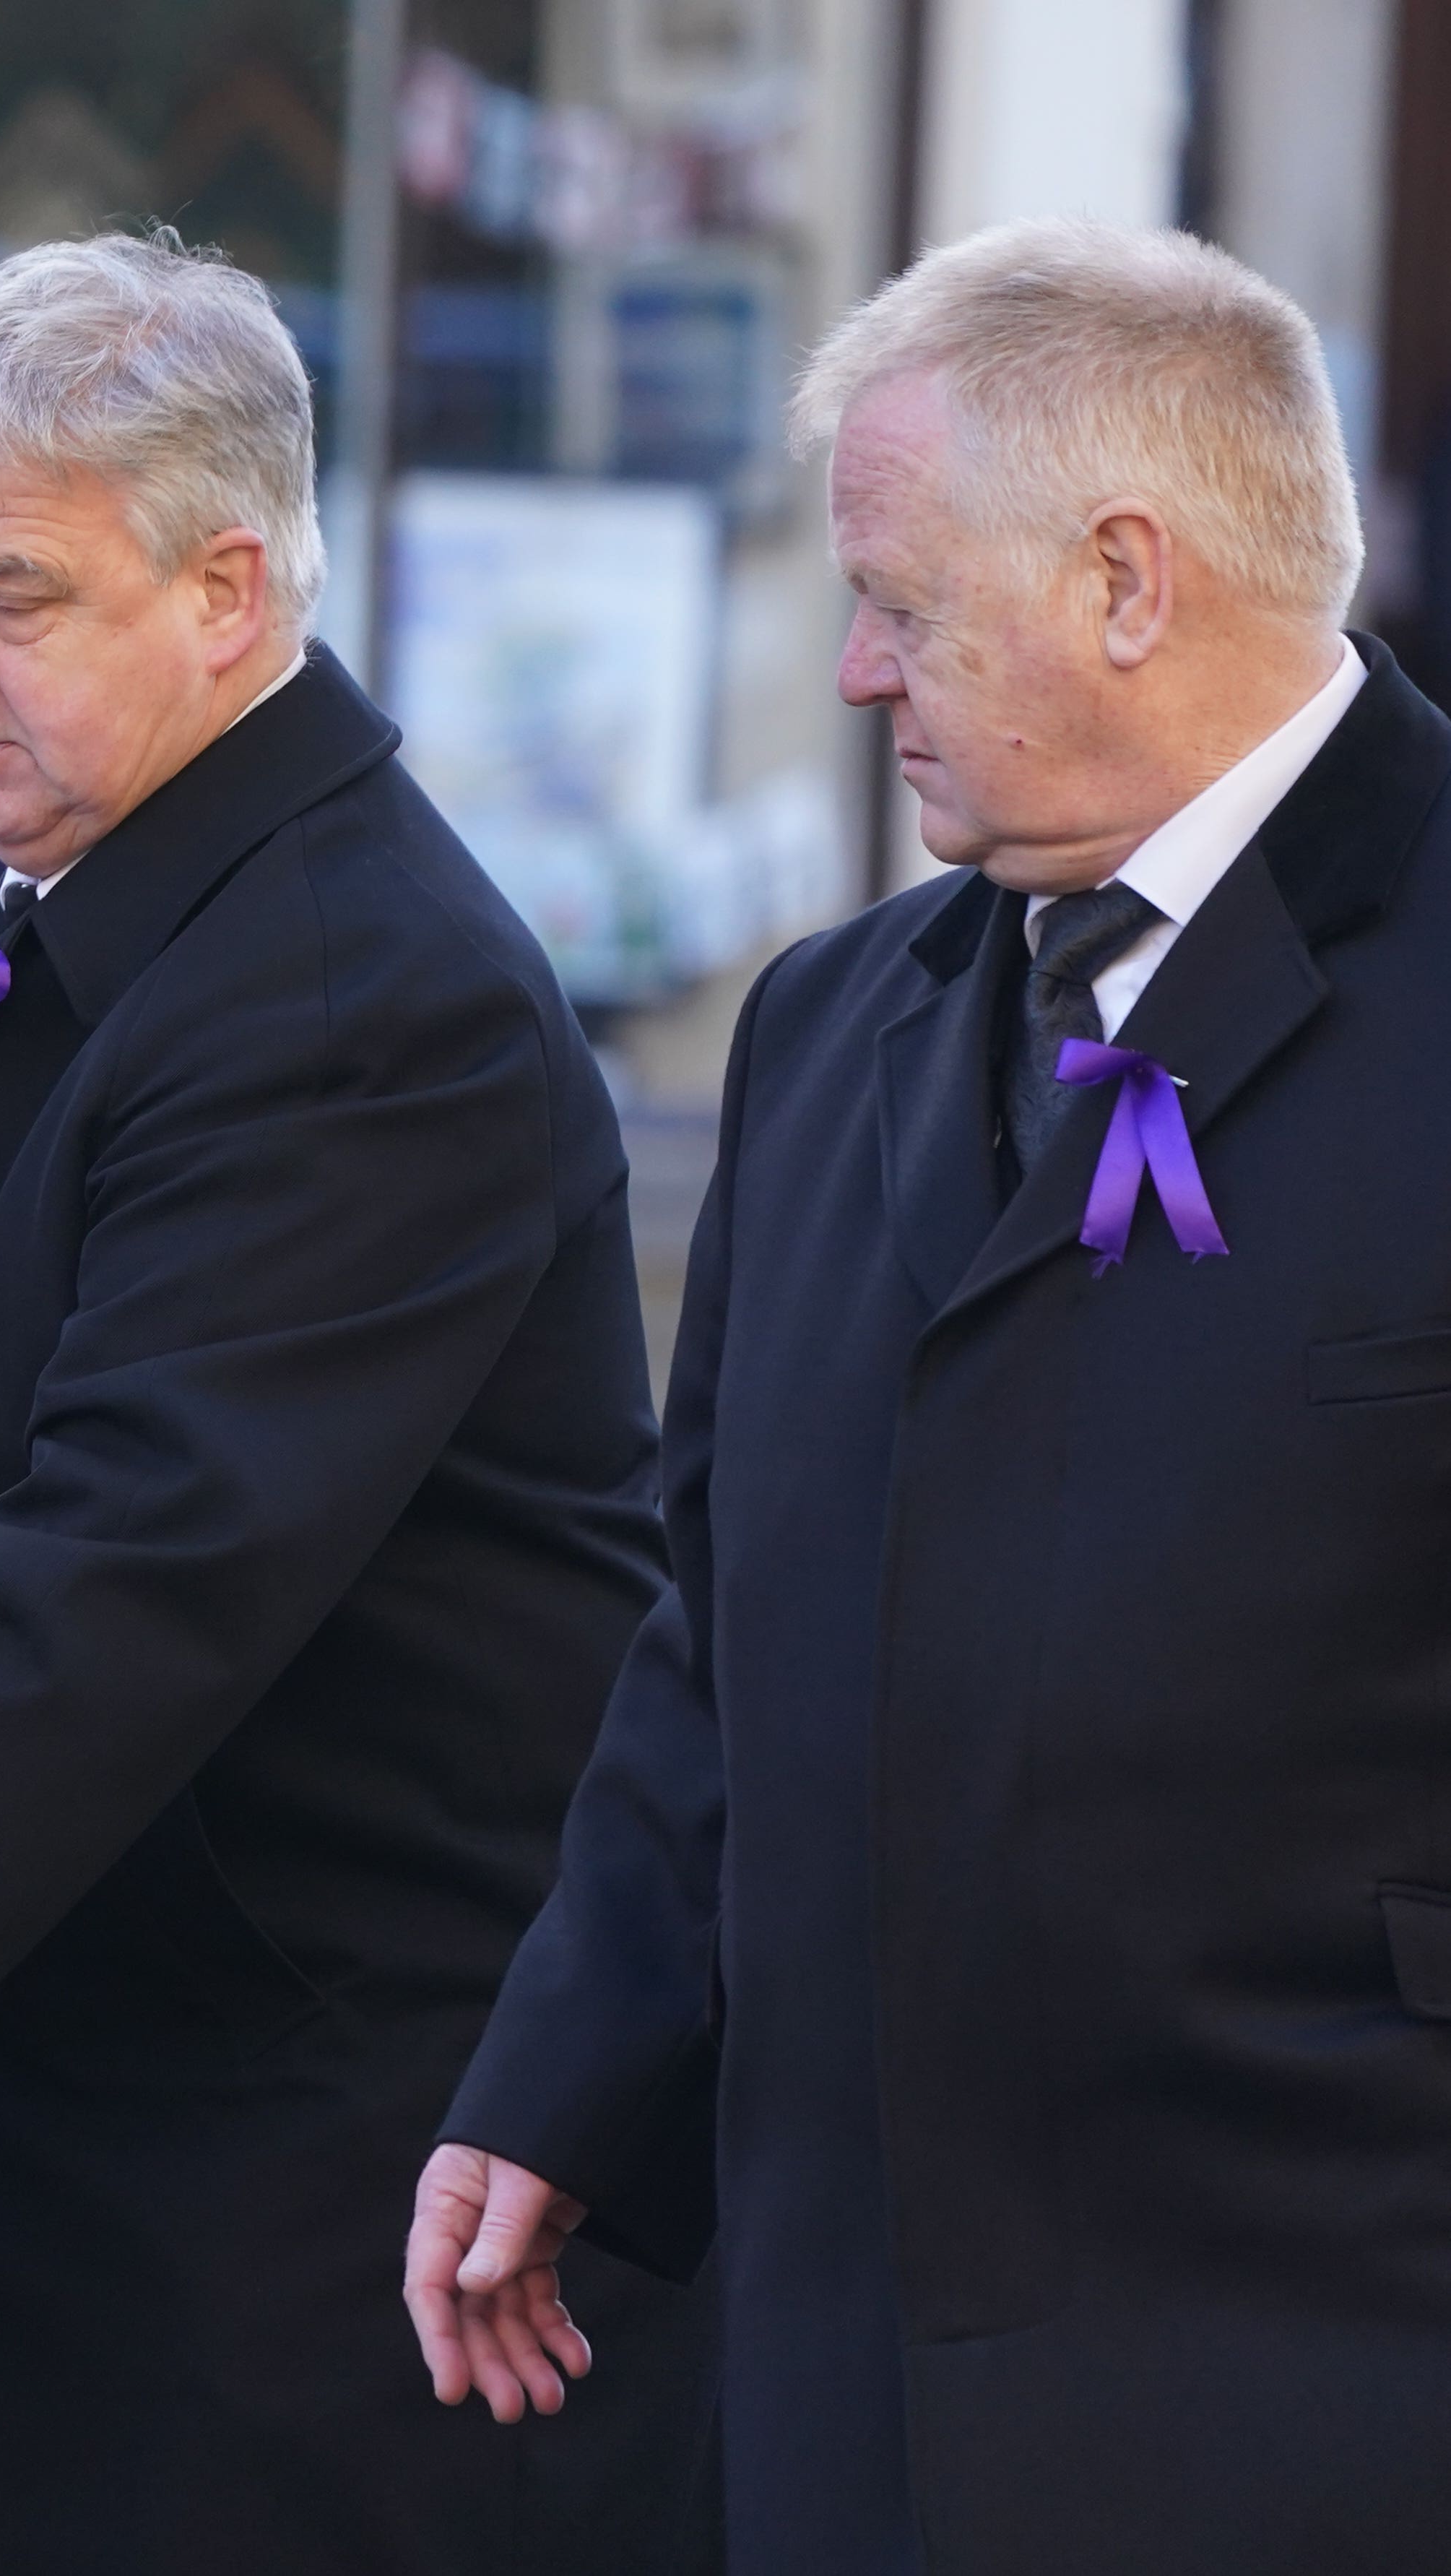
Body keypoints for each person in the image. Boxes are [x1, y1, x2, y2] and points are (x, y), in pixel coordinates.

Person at [0, 234, 717, 2569]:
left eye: (8, 593)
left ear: (221, 588)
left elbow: (123, 1569)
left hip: (296, 2174)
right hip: (95, 2107)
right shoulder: (134, 901)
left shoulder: (340, 991)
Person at [417, 220, 1451, 2576]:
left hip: (1330, 2364)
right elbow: (712, 1615)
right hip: (842, 2363)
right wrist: (567, 2063)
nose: (858, 669)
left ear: (1118, 577)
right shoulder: (822, 1022)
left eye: (896, 596)